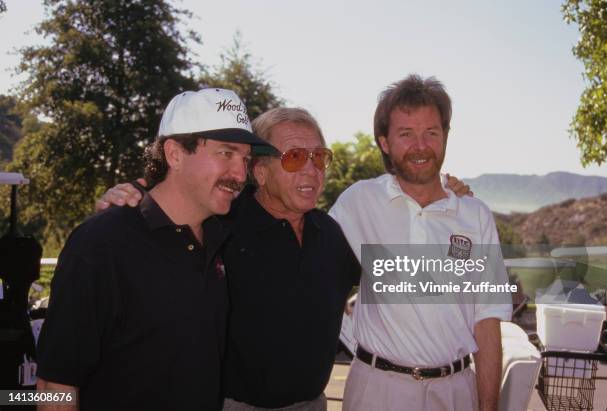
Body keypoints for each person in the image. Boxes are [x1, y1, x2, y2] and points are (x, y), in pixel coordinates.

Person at [98, 106, 471, 410]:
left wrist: (446, 196)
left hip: (314, 405)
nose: (312, 169)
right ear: (259, 170)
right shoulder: (220, 224)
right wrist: (130, 193)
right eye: (294, 157)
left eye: (319, 157)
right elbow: (169, 209)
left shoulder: (335, 233)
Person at [35, 88, 275, 411]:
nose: (240, 174)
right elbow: (54, 387)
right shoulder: (102, 245)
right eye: (226, 153)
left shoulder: (221, 238)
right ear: (174, 154)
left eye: (246, 159)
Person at [329, 74, 512, 411]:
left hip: (456, 393)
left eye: (431, 132)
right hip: (375, 391)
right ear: (384, 142)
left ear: (445, 136)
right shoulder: (359, 201)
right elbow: (312, 266)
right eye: (406, 134)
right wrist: (349, 335)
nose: (420, 146)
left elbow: (487, 324)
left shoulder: (474, 215)